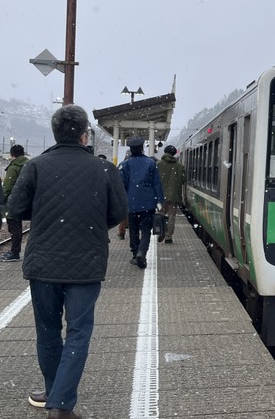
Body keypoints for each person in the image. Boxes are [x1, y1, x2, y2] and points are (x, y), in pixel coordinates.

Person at [7, 105, 128, 419]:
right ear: (85, 134)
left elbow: (15, 208)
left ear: (55, 133)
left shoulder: (35, 166)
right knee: (78, 331)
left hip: (43, 263)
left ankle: (54, 393)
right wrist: (89, 222)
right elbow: (118, 213)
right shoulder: (105, 169)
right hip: (86, 264)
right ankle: (60, 404)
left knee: (47, 331)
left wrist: (46, 216)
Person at [118, 137, 164, 269]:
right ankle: (142, 252)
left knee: (133, 229)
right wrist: (160, 200)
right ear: (142, 148)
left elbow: (121, 185)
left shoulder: (124, 165)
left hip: (131, 203)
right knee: (146, 230)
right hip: (148, 203)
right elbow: (157, 183)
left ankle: (134, 253)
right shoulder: (151, 163)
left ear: (130, 149)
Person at [1, 144, 29, 262]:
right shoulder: (28, 164)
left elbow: (7, 187)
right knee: (19, 227)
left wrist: (2, 199)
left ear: (12, 155)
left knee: (13, 227)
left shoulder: (14, 167)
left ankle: (14, 252)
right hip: (26, 200)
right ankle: (17, 251)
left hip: (13, 201)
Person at [156, 145, 186, 243]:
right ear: (174, 154)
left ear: (165, 152)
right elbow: (183, 180)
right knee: (171, 217)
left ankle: (161, 231)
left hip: (160, 196)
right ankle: (168, 237)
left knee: (160, 214)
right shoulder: (180, 166)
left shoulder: (158, 164)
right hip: (174, 196)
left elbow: (153, 179)